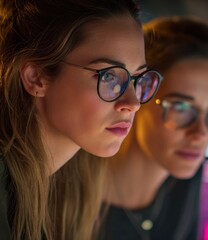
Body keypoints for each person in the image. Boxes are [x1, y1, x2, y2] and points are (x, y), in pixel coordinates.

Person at [0, 0, 163, 239]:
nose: (133, 103)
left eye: (137, 78)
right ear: (36, 78)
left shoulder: (69, 186)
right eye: (109, 77)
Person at [98, 16, 208, 240]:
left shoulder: (185, 175)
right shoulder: (69, 204)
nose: (200, 133)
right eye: (181, 107)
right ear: (137, 97)